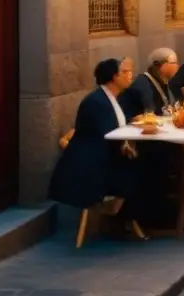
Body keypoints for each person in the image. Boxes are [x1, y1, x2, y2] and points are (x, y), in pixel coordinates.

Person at [49, 58, 146, 239]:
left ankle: (126, 220)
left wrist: (124, 146)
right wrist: (124, 146)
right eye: (124, 72)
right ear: (112, 77)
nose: (129, 75)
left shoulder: (113, 99)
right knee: (139, 172)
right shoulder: (96, 102)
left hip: (106, 157)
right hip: (92, 166)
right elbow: (106, 133)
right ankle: (124, 221)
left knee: (144, 163)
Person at [121, 48, 179, 116]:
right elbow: (151, 113)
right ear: (159, 65)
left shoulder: (164, 81)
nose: (177, 66)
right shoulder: (143, 84)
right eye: (174, 63)